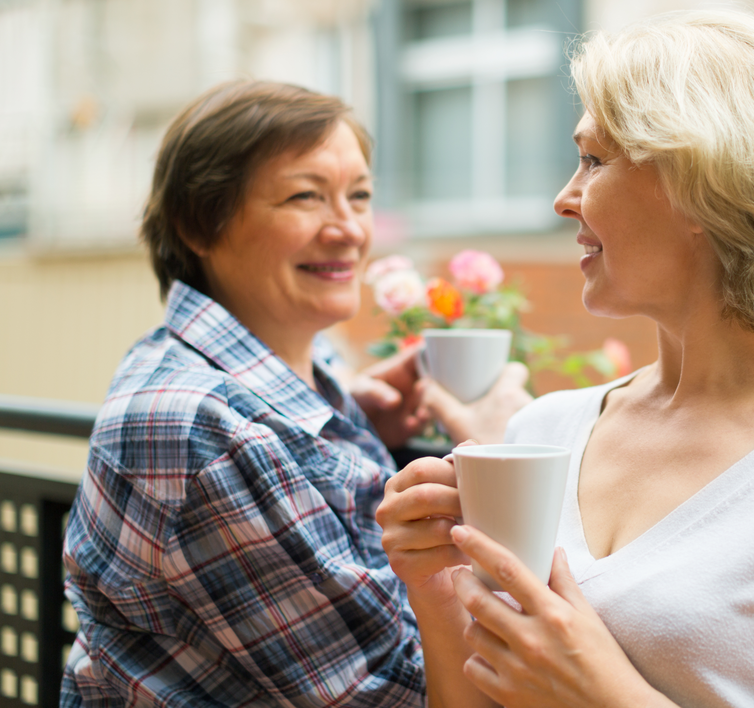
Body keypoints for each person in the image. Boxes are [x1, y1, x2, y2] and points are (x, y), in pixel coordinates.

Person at [376, 9, 754, 708]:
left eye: (594, 160)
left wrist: (607, 696)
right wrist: (434, 588)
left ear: (705, 183)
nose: (564, 199)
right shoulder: (543, 432)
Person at [60, 80, 530, 706]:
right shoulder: (204, 429)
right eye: (306, 196)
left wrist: (353, 419)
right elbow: (401, 697)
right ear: (199, 223)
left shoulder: (245, 362)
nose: (348, 230)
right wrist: (498, 453)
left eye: (358, 196)